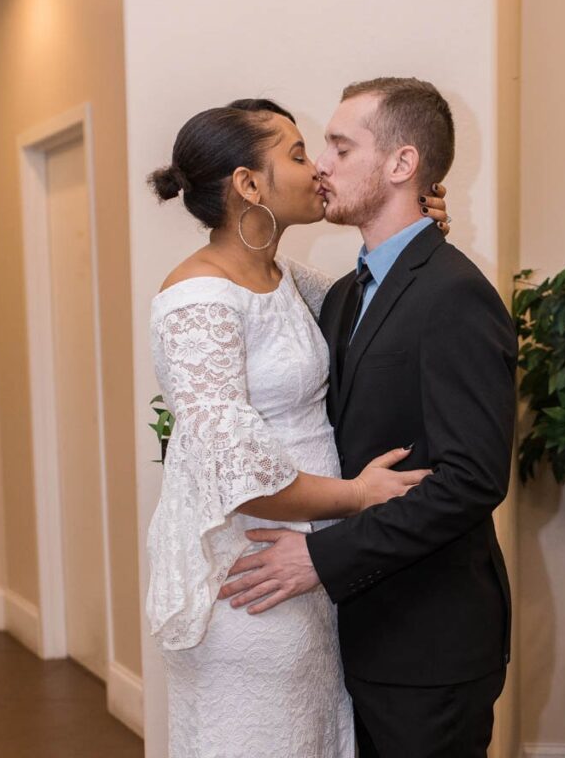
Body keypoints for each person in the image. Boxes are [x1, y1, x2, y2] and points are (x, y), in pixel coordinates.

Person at [220, 78, 518, 758]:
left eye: (339, 145)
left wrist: (319, 558)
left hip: (429, 644)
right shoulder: (344, 294)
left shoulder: (455, 297)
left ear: (401, 165)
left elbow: (470, 481)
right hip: (353, 631)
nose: (322, 163)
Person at [145, 97, 449, 758]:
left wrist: (420, 239)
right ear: (247, 185)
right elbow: (238, 474)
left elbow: (374, 312)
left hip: (308, 568)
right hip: (250, 574)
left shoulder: (289, 281)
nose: (317, 169)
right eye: (296, 154)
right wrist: (359, 495)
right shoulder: (196, 300)